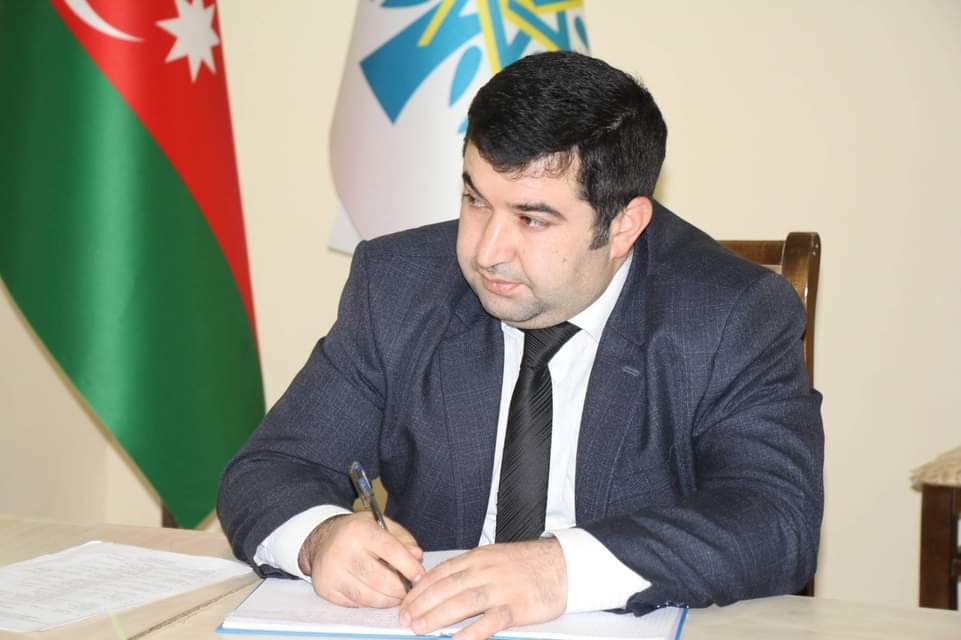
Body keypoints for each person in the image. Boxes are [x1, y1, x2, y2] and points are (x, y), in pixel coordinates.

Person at [218, 51, 823, 640]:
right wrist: (321, 536)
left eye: (532, 219)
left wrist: (559, 570)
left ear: (623, 226)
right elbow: (271, 469)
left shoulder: (729, 314)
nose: (487, 251)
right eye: (475, 200)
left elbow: (776, 518)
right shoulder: (399, 286)